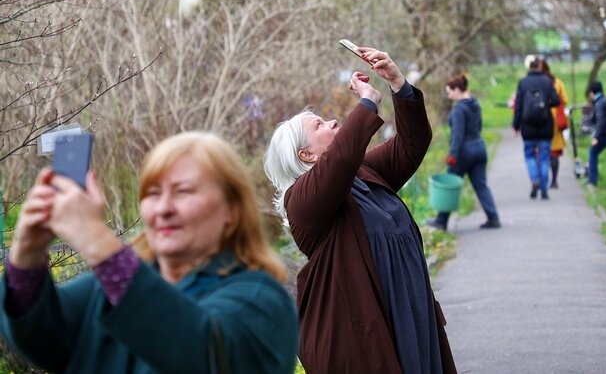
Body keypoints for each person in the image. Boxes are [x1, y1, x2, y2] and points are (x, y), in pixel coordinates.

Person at [0, 132, 299, 373]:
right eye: (153, 194)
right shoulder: (106, 289)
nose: (164, 208)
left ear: (231, 211)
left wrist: (95, 239)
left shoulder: (261, 299)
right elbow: (43, 337)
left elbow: (200, 353)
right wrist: (27, 252)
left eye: (183, 191)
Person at [263, 46, 456, 374]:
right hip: (371, 334)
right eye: (320, 125)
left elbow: (411, 145)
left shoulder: (362, 172)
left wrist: (397, 83)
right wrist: (367, 102)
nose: (334, 121)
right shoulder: (302, 202)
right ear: (306, 155)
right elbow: (340, 159)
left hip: (412, 313)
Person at [427, 74, 501, 231]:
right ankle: (493, 217)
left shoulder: (459, 108)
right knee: (481, 185)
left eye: (449, 92)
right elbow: (479, 126)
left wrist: (453, 154)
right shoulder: (475, 103)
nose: (448, 96)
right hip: (479, 148)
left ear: (457, 90)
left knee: (448, 185)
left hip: (463, 152)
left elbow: (458, 135)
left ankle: (441, 221)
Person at [512, 54, 561, 200]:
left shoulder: (523, 83)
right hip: (545, 125)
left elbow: (518, 107)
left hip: (527, 127)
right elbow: (556, 101)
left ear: (529, 67)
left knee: (529, 156)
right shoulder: (547, 81)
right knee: (544, 157)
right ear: (539, 66)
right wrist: (545, 104)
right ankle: (544, 191)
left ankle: (535, 179)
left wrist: (516, 125)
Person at [541, 58, 569, 189]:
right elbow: (565, 100)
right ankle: (554, 181)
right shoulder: (557, 82)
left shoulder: (536, 82)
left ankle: (542, 180)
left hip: (540, 119)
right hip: (555, 121)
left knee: (541, 151)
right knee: (554, 153)